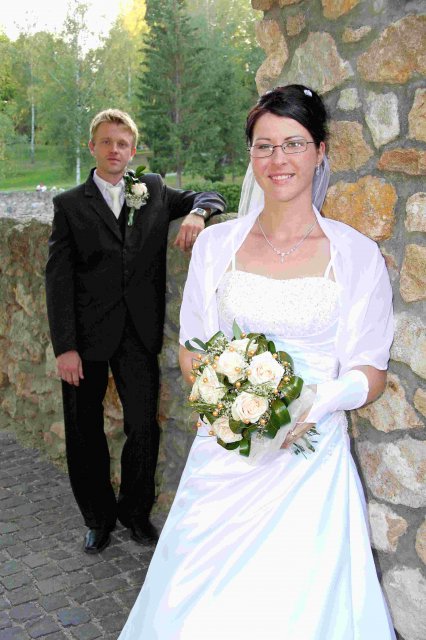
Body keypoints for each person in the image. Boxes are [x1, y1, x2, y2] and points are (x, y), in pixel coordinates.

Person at [118, 86, 395, 639]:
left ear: (320, 151)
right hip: (226, 458)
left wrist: (316, 401)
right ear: (251, 155)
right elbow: (193, 349)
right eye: (264, 146)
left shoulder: (356, 255)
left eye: (293, 143)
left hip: (309, 464)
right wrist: (241, 412)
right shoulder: (216, 246)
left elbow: (371, 371)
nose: (278, 159)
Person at [45, 109, 225, 554]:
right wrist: (65, 347)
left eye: (123, 144)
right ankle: (97, 519)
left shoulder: (153, 189)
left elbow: (211, 195)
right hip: (85, 338)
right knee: (83, 430)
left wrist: (198, 213)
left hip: (137, 332)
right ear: (92, 147)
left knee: (143, 427)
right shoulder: (69, 205)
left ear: (133, 150)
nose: (115, 150)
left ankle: (135, 513)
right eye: (107, 142)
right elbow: (58, 279)